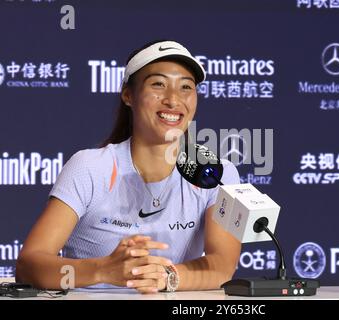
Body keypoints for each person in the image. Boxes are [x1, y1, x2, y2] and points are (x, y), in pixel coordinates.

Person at [16, 40, 241, 294]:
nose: (173, 99)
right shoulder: (89, 167)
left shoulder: (219, 172)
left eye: (186, 87)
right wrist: (103, 270)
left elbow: (222, 265)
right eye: (158, 84)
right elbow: (29, 264)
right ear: (128, 95)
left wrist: (165, 276)